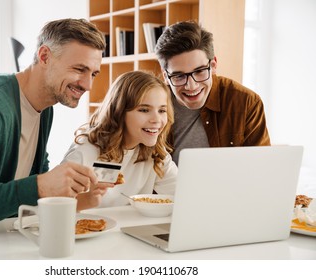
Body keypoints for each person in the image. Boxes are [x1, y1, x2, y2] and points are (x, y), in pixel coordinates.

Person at [0, 18, 113, 234]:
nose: (88, 84)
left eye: (93, 73)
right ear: (44, 57)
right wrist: (41, 185)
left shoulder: (45, 107)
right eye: (80, 69)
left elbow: (26, 193)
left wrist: (79, 198)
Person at [155, 21, 271, 165]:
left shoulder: (246, 102)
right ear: (165, 76)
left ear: (213, 65)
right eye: (179, 76)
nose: (191, 86)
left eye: (199, 71)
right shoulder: (151, 103)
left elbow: (261, 166)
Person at [62, 70, 177, 209]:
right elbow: (53, 208)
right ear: (120, 112)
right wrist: (87, 200)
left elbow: (183, 195)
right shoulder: (87, 151)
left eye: (162, 110)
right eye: (144, 110)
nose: (157, 120)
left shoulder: (156, 153)